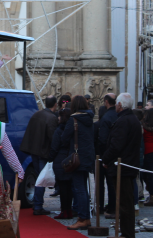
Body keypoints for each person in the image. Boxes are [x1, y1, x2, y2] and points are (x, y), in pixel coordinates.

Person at [102, 93, 142, 237]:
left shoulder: (124, 121)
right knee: (126, 202)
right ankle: (127, 232)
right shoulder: (133, 120)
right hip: (128, 165)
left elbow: (116, 146)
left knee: (125, 204)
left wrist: (105, 160)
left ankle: (127, 233)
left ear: (119, 105)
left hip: (123, 167)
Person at [20, 95, 59, 215]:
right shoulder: (51, 118)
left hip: (34, 151)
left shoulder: (36, 114)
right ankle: (38, 206)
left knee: (39, 178)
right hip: (43, 152)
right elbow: (53, 138)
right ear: (55, 105)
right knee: (42, 179)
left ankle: (37, 204)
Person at [62, 95, 95, 230]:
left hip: (77, 157)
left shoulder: (73, 119)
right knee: (84, 188)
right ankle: (86, 217)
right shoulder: (89, 118)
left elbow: (64, 138)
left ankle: (82, 218)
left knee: (79, 189)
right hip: (88, 155)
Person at [49, 108, 73, 219]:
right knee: (69, 189)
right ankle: (69, 210)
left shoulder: (59, 130)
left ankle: (64, 211)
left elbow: (54, 147)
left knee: (63, 189)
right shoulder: (73, 129)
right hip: (71, 160)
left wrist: (50, 158)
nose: (58, 118)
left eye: (59, 116)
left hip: (60, 161)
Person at [97, 93, 118, 217]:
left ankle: (103, 206)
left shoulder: (106, 118)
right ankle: (112, 206)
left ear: (106, 102)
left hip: (106, 156)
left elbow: (103, 140)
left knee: (103, 183)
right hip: (117, 155)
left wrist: (104, 158)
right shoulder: (119, 116)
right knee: (112, 183)